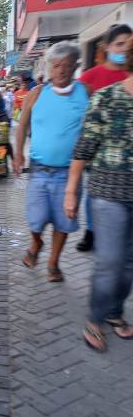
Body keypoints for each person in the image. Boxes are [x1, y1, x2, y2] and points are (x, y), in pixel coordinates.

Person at [63, 37, 133, 351]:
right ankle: (95, 317)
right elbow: (84, 148)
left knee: (129, 263)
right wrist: (71, 191)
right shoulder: (106, 97)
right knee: (110, 261)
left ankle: (115, 311)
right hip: (109, 193)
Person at [12, 41, 89, 283]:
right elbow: (22, 124)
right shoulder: (36, 94)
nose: (61, 71)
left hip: (70, 173)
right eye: (56, 66)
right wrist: (18, 153)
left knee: (63, 222)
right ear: (48, 67)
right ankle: (36, 241)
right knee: (35, 219)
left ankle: (53, 263)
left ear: (76, 66)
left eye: (67, 66)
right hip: (39, 170)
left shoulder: (85, 93)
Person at [74, 23, 132, 252]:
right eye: (119, 44)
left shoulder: (129, 74)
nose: (124, 50)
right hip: (99, 152)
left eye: (128, 45)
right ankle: (91, 231)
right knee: (94, 193)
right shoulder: (90, 77)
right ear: (106, 47)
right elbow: (81, 112)